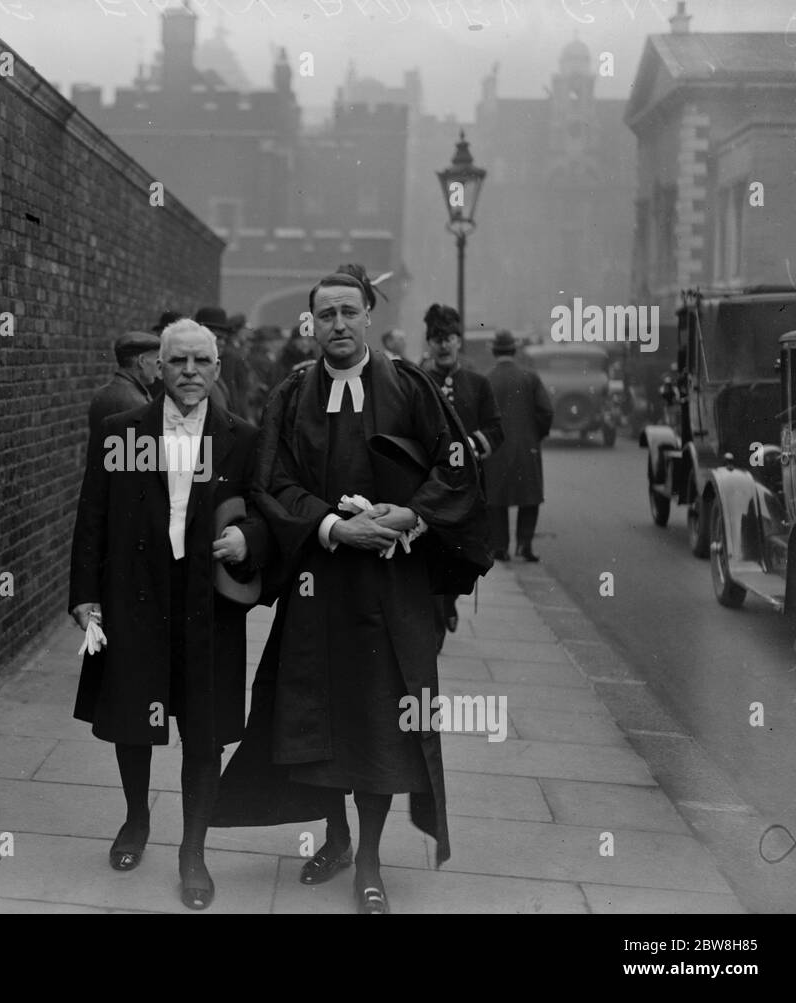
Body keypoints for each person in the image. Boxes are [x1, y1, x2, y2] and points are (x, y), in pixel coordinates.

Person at [212, 272, 485, 914]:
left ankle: (368, 857)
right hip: (320, 579)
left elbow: (455, 466)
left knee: (381, 721)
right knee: (317, 716)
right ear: (312, 325)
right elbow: (270, 482)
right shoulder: (290, 395)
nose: (337, 324)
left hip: (392, 584)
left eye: (348, 312)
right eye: (325, 315)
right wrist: (335, 526)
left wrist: (407, 516)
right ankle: (334, 837)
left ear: (368, 317)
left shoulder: (410, 385)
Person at [68, 318, 274, 910]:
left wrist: (248, 543)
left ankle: (193, 850)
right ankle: (136, 819)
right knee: (132, 713)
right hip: (135, 593)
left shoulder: (242, 437)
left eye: (201, 362)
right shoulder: (120, 430)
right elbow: (92, 516)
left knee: (203, 728)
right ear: (158, 367)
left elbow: (266, 513)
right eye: (177, 361)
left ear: (216, 368)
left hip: (205, 599)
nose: (189, 373)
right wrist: (85, 592)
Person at [421, 304, 503, 645]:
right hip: (428, 484)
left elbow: (496, 430)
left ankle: (450, 603)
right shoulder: (418, 381)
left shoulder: (478, 383)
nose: (443, 345)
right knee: (432, 554)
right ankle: (436, 623)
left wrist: (470, 443)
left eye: (450, 338)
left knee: (460, 554)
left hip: (467, 486)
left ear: (459, 342)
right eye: (437, 339)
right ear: (429, 342)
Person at [483, 330, 553, 562]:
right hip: (526, 447)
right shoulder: (530, 377)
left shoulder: (487, 379)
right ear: (515, 350)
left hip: (495, 449)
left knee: (496, 499)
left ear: (494, 351)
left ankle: (500, 547)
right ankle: (525, 544)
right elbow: (546, 411)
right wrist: (535, 435)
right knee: (529, 497)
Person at [87, 330, 161, 438]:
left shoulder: (101, 394)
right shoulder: (136, 402)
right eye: (157, 360)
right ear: (142, 361)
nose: (159, 366)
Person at [194, 305, 252, 417]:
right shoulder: (193, 370)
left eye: (224, 338)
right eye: (217, 337)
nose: (222, 343)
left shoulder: (214, 367)